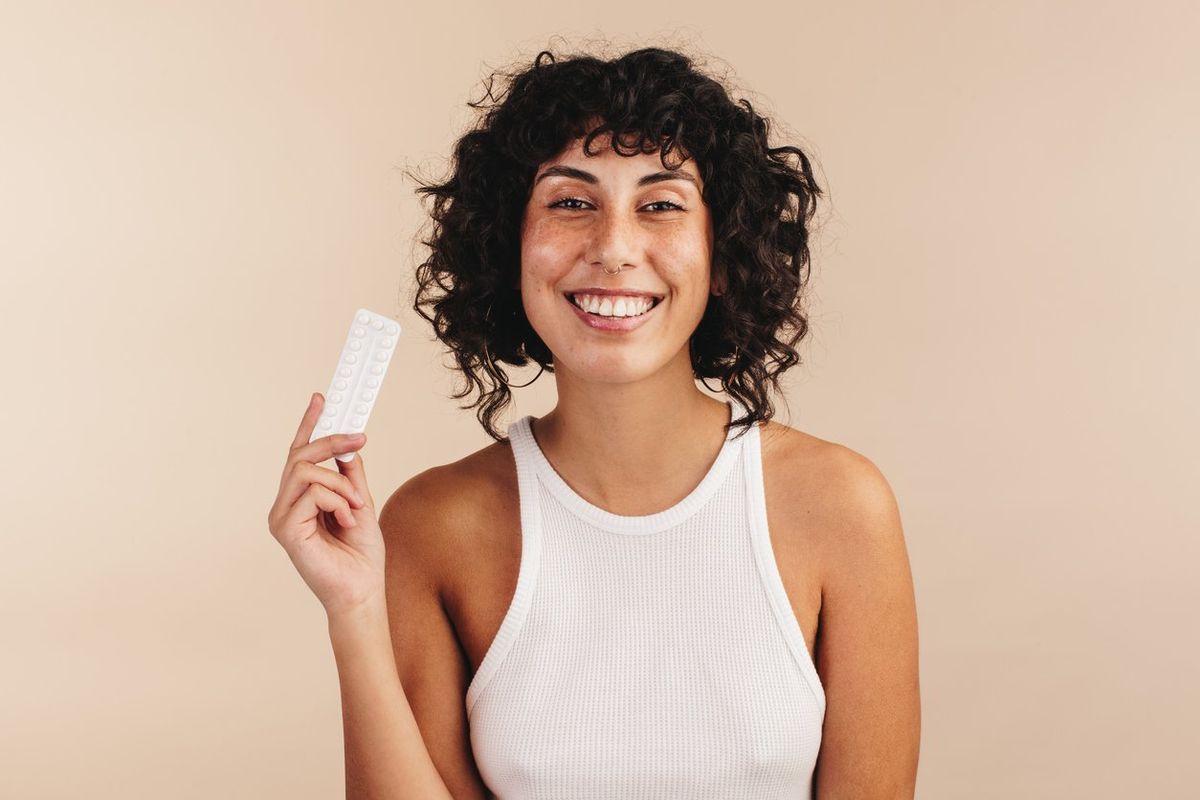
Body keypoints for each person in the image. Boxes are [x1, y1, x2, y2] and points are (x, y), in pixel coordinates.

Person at [268, 45, 920, 799]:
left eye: (662, 204)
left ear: (723, 246)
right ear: (506, 242)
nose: (614, 248)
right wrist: (353, 611)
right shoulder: (434, 527)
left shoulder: (840, 506)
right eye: (571, 202)